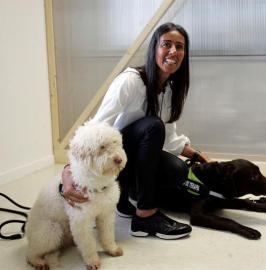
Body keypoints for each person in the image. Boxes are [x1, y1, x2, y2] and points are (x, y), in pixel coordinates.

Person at [61, 22, 210, 240]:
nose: (173, 52)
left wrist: (198, 156)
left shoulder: (169, 90)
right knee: (152, 126)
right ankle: (145, 216)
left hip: (129, 160)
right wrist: (68, 172)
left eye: (179, 47)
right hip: (113, 161)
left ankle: (125, 200)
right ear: (154, 49)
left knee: (177, 170)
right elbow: (95, 128)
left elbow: (168, 139)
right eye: (166, 45)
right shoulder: (130, 81)